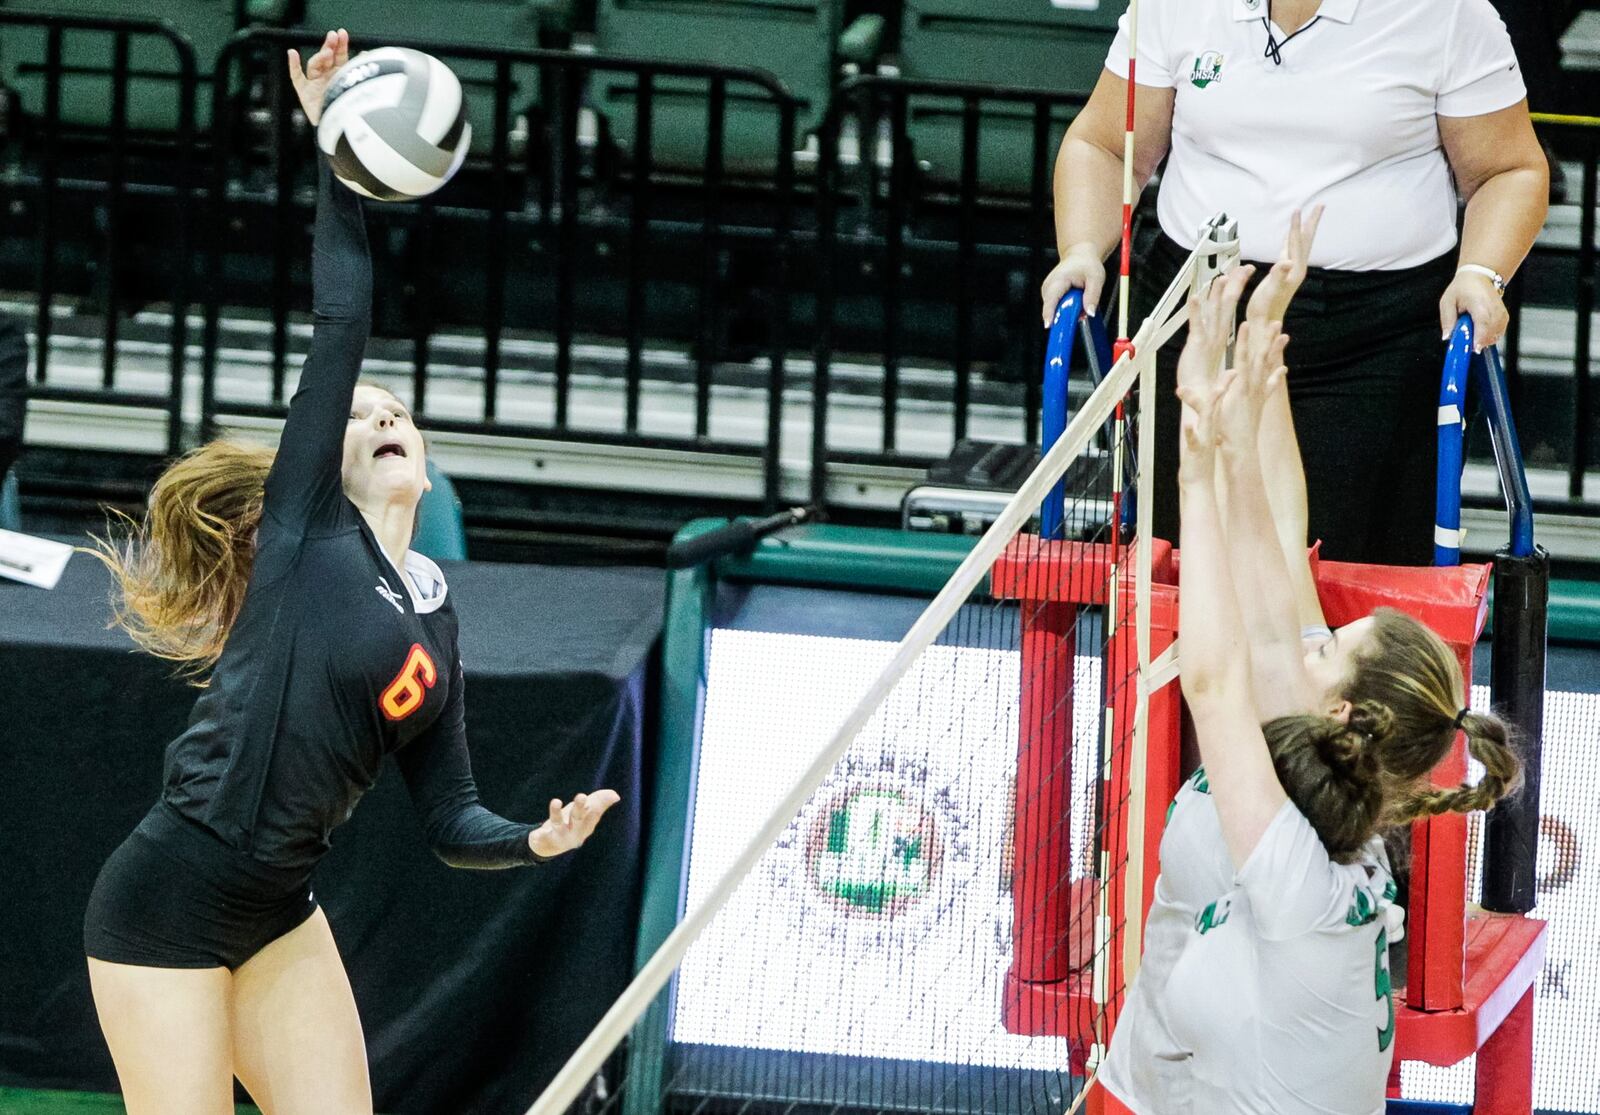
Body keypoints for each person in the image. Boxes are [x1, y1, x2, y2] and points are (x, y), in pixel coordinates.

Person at [81, 31, 620, 1115]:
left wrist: (536, 837)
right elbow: (342, 319)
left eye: (399, 410)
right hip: (167, 899)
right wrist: (337, 156)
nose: (382, 412)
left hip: (280, 909)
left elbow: (451, 816)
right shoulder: (303, 530)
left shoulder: (433, 611)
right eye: (362, 411)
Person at [1096, 219, 1523, 1114]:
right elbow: (1281, 532)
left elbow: (1208, 676)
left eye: (1329, 643)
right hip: (1143, 1084)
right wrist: (1263, 361)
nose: (1307, 630)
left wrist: (1198, 455)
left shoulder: (1298, 858)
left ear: (1342, 712)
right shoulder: (1324, 776)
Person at [1041, 0, 1549, 565]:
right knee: (1182, 563)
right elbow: (1105, 145)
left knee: (1342, 575)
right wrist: (1083, 249)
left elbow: (1508, 170)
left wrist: (1480, 272)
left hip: (1374, 340)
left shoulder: (1449, 12)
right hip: (1199, 314)